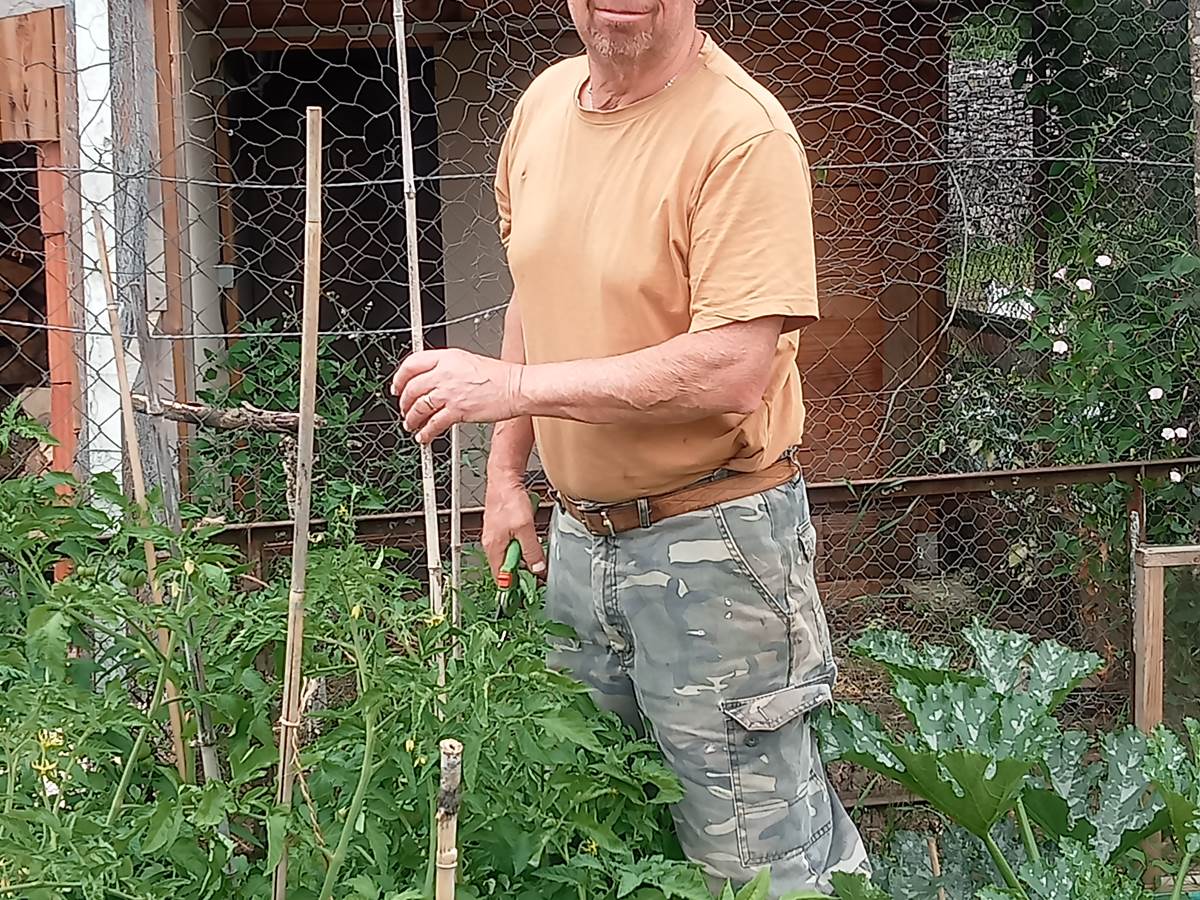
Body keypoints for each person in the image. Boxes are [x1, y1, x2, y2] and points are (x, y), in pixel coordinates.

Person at [389, 0, 869, 893]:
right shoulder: (541, 107)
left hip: (716, 542)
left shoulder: (740, 133)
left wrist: (512, 392)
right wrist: (505, 472)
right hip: (579, 543)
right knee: (601, 831)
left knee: (754, 860)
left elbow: (733, 369)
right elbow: (534, 291)